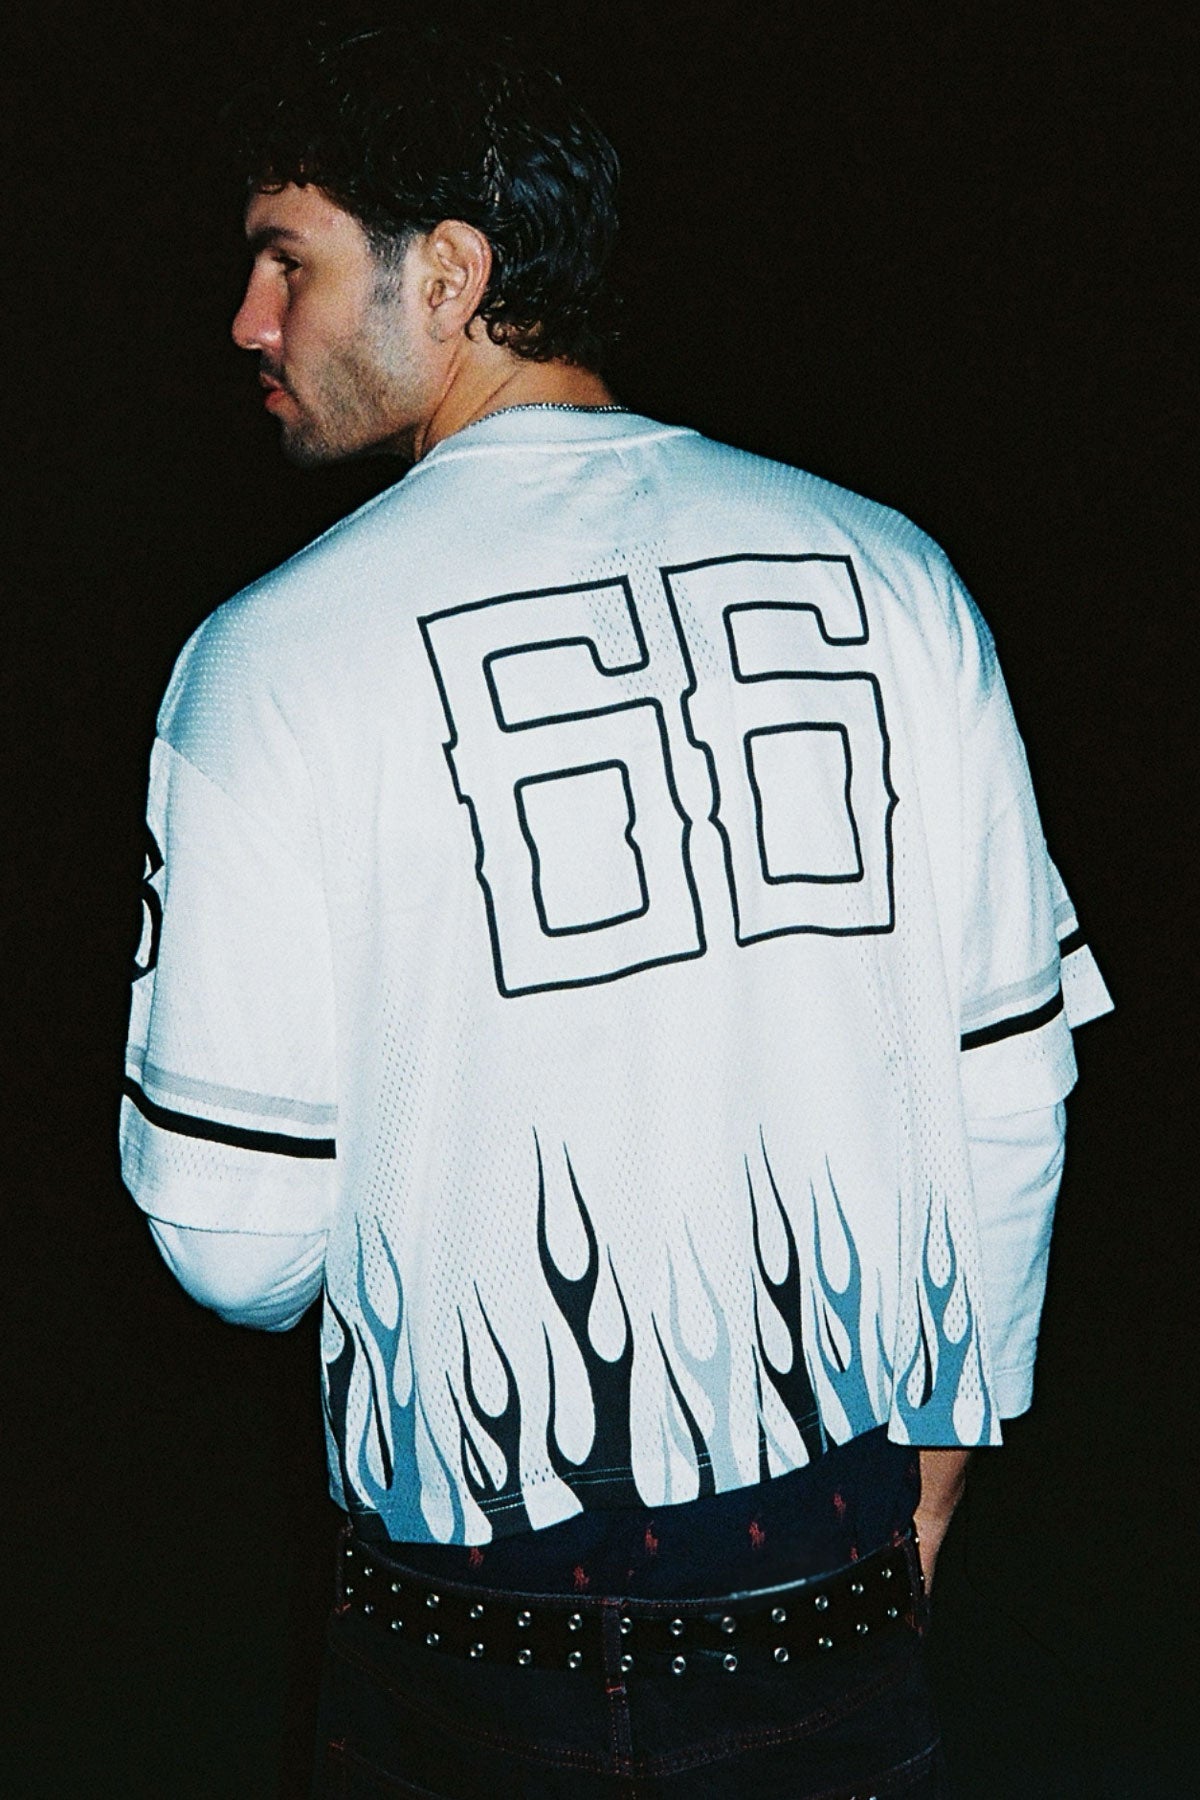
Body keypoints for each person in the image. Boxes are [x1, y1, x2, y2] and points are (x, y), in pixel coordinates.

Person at [120, 25, 1112, 1798]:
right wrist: (946, 1461)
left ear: (449, 273)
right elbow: (1008, 1091)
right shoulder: (897, 574)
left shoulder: (267, 663)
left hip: (472, 1615)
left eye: (289, 260)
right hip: (834, 1565)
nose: (252, 321)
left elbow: (231, 1233)